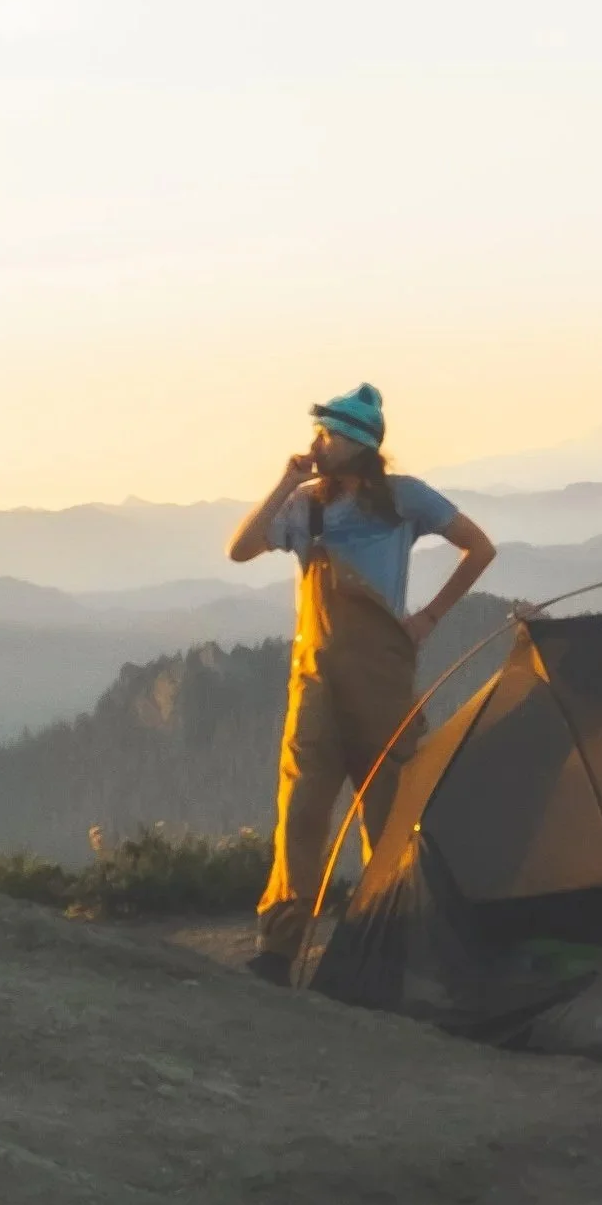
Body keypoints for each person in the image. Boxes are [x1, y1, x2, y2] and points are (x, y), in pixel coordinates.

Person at [227, 383, 494, 973]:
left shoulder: (404, 500)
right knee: (300, 812)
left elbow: (479, 547)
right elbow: (240, 550)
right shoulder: (306, 506)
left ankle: (387, 943)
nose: (318, 444)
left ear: (361, 444)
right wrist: (283, 484)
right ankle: (279, 948)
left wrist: (428, 618)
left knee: (390, 813)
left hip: (381, 677)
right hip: (315, 679)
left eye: (330, 435)